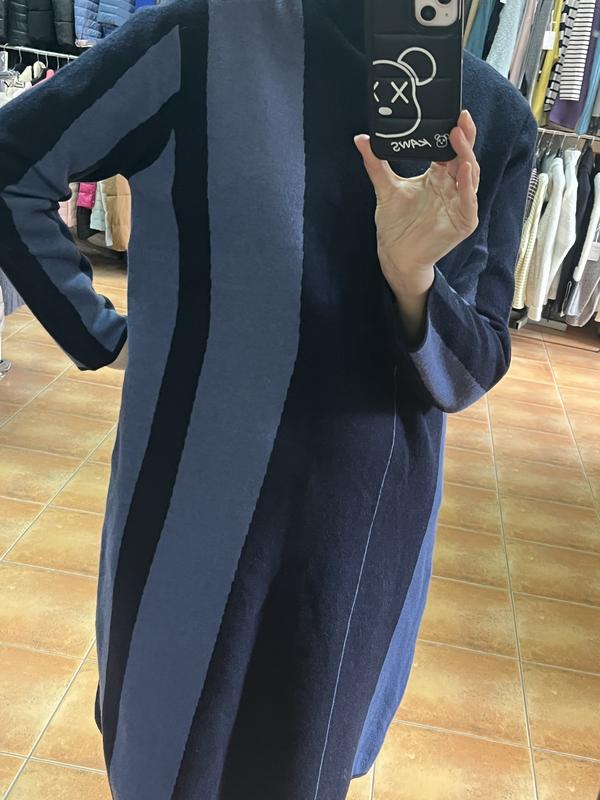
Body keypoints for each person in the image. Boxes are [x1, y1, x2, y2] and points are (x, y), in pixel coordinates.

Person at [0, 0, 537, 797]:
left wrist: (414, 278)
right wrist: (103, 336)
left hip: (359, 549)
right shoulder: (197, 41)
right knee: (162, 758)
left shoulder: (491, 117)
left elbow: (472, 366)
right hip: (188, 527)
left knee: (305, 765)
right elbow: (14, 166)